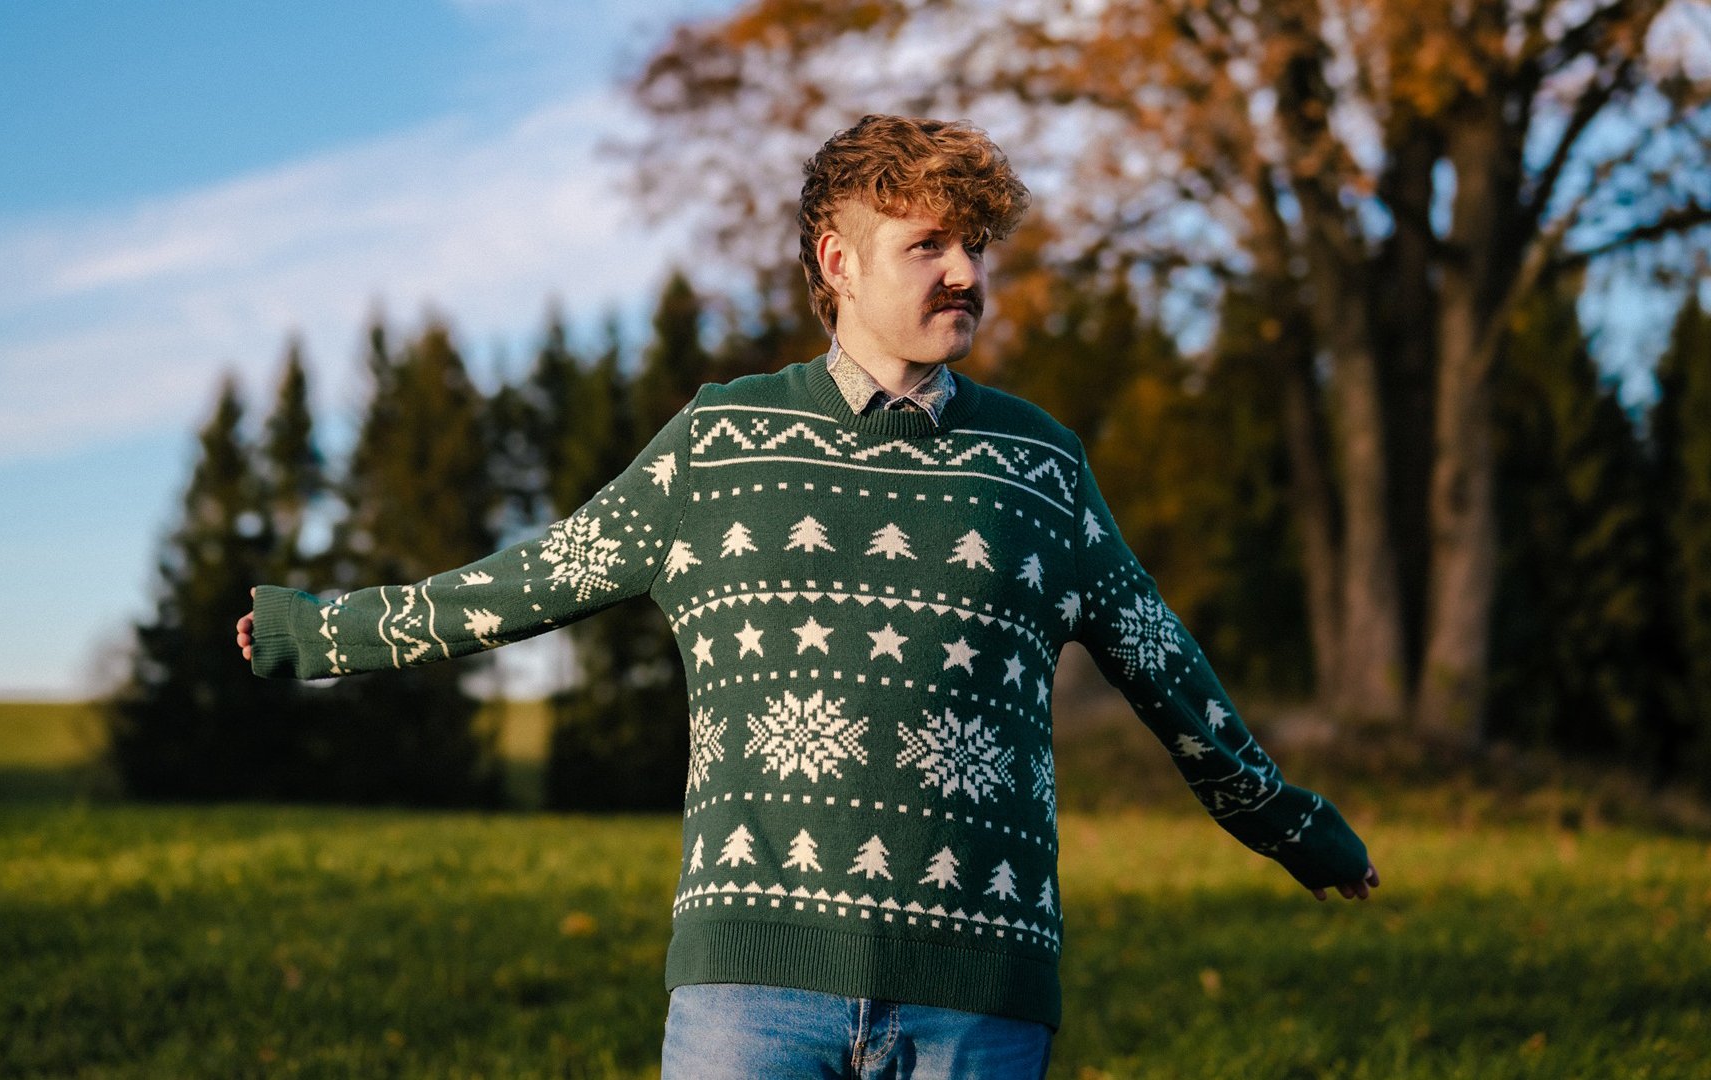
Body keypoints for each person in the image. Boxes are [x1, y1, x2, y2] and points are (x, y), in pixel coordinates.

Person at [238, 113, 1379, 1079]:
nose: (966, 274)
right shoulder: (718, 444)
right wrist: (313, 632)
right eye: (927, 244)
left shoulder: (1039, 466)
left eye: (975, 246)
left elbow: (1161, 664)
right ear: (836, 261)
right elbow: (530, 580)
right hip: (751, 987)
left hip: (979, 992)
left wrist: (1293, 828)